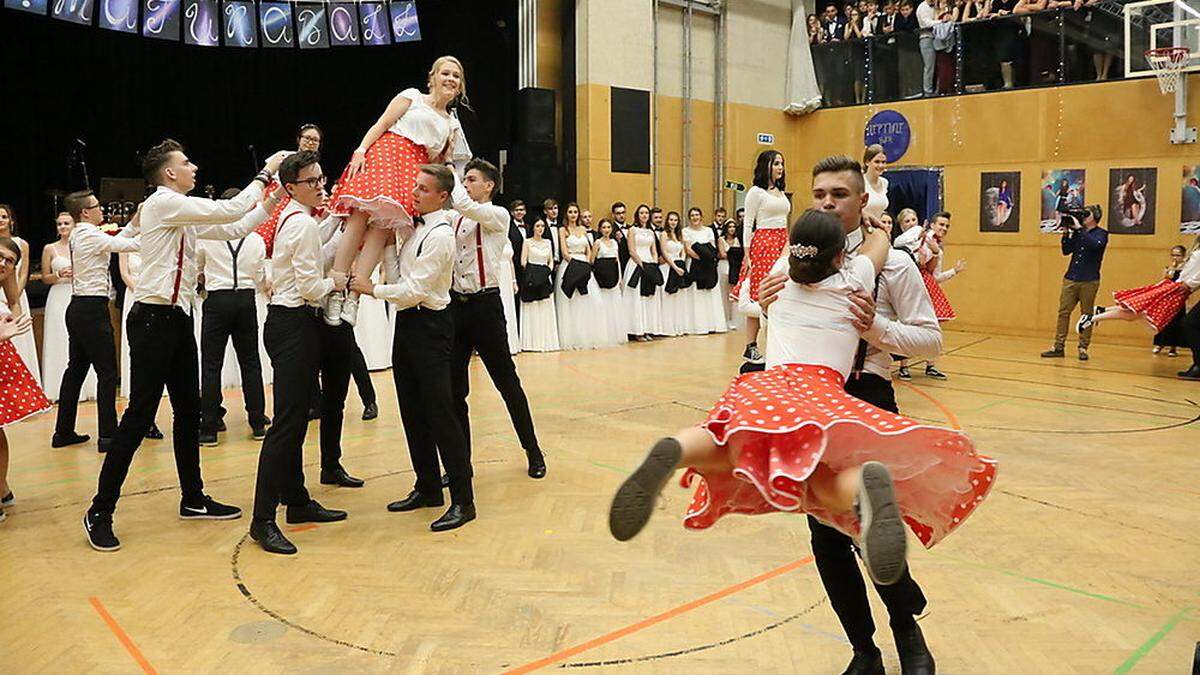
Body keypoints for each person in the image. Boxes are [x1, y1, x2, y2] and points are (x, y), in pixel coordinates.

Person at [610, 207, 993, 675]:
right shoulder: (853, 281)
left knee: (722, 447)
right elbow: (876, 248)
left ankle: (675, 448)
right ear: (838, 257)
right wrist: (876, 230)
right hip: (823, 401)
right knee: (828, 497)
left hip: (767, 392)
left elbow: (918, 330)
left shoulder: (779, 278)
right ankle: (862, 492)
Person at [758, 155, 947, 675]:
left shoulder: (897, 264)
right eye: (818, 194)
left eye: (838, 194)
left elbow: (933, 339)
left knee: (868, 520)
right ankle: (864, 652)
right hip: (811, 409)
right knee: (826, 535)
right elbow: (769, 319)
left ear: (862, 201)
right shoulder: (790, 264)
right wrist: (764, 301)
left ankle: (908, 633)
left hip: (868, 399)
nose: (826, 203)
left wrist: (878, 332)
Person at [83, 139, 287, 553]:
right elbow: (230, 210)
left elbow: (233, 228)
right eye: (187, 162)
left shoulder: (181, 212)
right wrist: (266, 173)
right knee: (139, 415)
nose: (194, 167)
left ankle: (192, 498)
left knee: (189, 412)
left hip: (177, 318)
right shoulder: (163, 203)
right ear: (169, 173)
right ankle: (99, 510)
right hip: (152, 319)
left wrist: (276, 197)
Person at [352, 164, 476, 532]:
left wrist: (370, 289)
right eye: (415, 186)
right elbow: (401, 275)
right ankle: (426, 487)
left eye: (423, 189)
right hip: (408, 325)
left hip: (431, 326)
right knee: (411, 409)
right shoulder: (413, 227)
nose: (415, 192)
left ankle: (463, 499)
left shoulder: (440, 235)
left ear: (442, 196)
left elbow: (414, 291)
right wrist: (389, 245)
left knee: (441, 412)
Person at [249, 151, 349, 556]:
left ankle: (297, 501)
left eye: (321, 178)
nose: (321, 186)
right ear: (290, 187)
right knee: (287, 425)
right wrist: (337, 280)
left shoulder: (300, 221)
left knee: (293, 419)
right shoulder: (301, 225)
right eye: (313, 182)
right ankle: (262, 519)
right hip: (294, 324)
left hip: (289, 324)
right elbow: (310, 286)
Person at [325, 56, 470, 327]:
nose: (451, 79)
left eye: (456, 76)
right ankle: (336, 287)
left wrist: (447, 167)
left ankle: (355, 294)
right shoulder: (412, 96)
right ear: (433, 77)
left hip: (414, 167)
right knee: (359, 217)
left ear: (460, 85)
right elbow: (381, 124)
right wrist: (360, 150)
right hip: (387, 154)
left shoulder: (452, 124)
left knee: (383, 227)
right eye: (446, 73)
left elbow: (439, 161)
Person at [447, 158, 546, 479]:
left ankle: (533, 450)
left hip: (486, 308)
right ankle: (461, 462)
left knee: (507, 383)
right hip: (456, 308)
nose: (465, 184)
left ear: (489, 185)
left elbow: (461, 201)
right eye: (464, 178)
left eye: (471, 179)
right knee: (454, 390)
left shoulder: (497, 214)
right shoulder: (456, 218)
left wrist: (449, 164)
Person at [53, 191, 140, 454]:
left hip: (79, 307)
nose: (101, 209)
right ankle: (108, 435)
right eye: (96, 206)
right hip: (91, 309)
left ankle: (63, 431)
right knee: (107, 371)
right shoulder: (89, 234)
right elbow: (126, 245)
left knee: (76, 369)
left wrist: (135, 222)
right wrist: (143, 226)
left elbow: (118, 240)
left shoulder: (83, 234)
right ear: (85, 213)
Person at [196, 214, 270, 446]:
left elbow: (198, 269)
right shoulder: (256, 240)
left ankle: (209, 427)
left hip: (217, 300)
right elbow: (260, 277)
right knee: (250, 362)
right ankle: (257, 421)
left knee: (211, 365)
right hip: (246, 300)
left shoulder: (208, 237)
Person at [0, 236, 54, 524]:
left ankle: (2, 490)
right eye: (0, 257)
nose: (3, 264)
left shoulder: (5, 283)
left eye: (10, 261)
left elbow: (13, 308)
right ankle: (3, 489)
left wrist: (10, 324)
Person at [1077, 237, 1199, 340]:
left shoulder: (1194, 255)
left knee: (1136, 313)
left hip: (1177, 289)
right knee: (1139, 312)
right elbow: (1192, 277)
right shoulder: (1196, 255)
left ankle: (1099, 312)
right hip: (1176, 289)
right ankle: (1093, 317)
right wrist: (1189, 284)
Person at [733, 150, 791, 365]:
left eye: (782, 164)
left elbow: (785, 221)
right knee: (760, 295)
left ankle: (774, 345)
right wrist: (747, 255)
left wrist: (787, 243)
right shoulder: (755, 192)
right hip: (763, 243)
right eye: (776, 163)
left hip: (782, 241)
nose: (780, 168)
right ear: (766, 165)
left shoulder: (781, 192)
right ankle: (751, 346)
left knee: (780, 292)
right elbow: (748, 224)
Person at [895, 212, 964, 379]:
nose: (944, 228)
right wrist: (926, 250)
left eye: (946, 226)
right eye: (941, 224)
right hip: (911, 283)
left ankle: (930, 364)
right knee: (907, 322)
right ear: (932, 225)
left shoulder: (937, 247)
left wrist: (954, 271)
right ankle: (904, 366)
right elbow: (904, 252)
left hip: (927, 284)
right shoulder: (917, 237)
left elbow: (935, 277)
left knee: (933, 325)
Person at [1042, 204, 1107, 361]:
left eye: (1087, 214)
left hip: (1089, 280)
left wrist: (1079, 229)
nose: (1084, 216)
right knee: (1063, 313)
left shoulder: (1101, 234)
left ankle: (1083, 347)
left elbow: (1095, 245)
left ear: (1094, 217)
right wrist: (1066, 233)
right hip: (1071, 278)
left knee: (1086, 315)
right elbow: (1066, 251)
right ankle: (1058, 346)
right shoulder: (1079, 233)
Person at [41, 213, 92, 404]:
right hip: (58, 294)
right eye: (60, 224)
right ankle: (56, 388)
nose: (63, 227)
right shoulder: (50, 248)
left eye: (66, 223)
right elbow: (45, 277)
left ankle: (86, 387)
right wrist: (58, 274)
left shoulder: (82, 244)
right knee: (59, 338)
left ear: (74, 225)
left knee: (80, 339)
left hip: (78, 291)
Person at [116, 249, 165, 440]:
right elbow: (124, 273)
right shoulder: (125, 243)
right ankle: (142, 418)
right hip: (136, 295)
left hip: (154, 296)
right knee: (138, 353)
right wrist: (139, 290)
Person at [0, 205, 39, 388]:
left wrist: (12, 320)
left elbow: (15, 299)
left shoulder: (20, 245)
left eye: (9, 261)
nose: (3, 263)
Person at [682, 207, 727, 335]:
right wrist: (701, 259)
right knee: (697, 294)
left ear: (701, 217)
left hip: (708, 264)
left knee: (711, 293)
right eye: (692, 215)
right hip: (695, 263)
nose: (695, 217)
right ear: (689, 218)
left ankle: (713, 324)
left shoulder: (708, 230)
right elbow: (688, 249)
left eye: (697, 215)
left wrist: (707, 259)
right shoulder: (686, 231)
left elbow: (712, 247)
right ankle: (698, 326)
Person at [518, 220, 560, 352]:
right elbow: (523, 261)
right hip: (531, 278)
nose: (540, 228)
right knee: (533, 307)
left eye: (542, 226)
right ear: (533, 228)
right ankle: (531, 343)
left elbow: (551, 261)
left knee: (545, 308)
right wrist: (535, 273)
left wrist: (546, 272)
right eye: (537, 226)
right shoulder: (528, 242)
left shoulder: (548, 242)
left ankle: (546, 342)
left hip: (545, 278)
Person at [623, 204, 663, 341]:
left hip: (650, 264)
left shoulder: (651, 233)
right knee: (637, 298)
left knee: (648, 297)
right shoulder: (632, 230)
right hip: (637, 264)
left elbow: (654, 251)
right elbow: (631, 250)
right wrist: (642, 264)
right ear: (637, 215)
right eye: (642, 213)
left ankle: (647, 329)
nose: (644, 215)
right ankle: (637, 330)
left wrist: (653, 264)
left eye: (646, 213)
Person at [591, 219, 628, 344]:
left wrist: (620, 278)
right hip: (602, 276)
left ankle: (615, 333)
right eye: (604, 227)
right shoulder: (597, 243)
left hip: (613, 275)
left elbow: (617, 261)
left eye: (608, 227)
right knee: (603, 305)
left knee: (615, 305)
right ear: (600, 229)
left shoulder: (614, 243)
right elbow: (592, 260)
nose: (606, 230)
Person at [658, 211, 691, 337]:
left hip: (679, 265)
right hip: (668, 267)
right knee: (669, 297)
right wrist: (674, 266)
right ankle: (668, 328)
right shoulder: (664, 234)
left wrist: (681, 262)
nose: (673, 222)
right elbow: (664, 252)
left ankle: (679, 326)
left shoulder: (679, 235)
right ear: (667, 221)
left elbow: (683, 250)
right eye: (671, 220)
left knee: (679, 297)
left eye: (675, 220)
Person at [1153, 245, 1189, 357]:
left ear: (1183, 256)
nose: (1175, 258)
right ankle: (1159, 344)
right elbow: (1164, 282)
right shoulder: (1169, 268)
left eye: (1178, 255)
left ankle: (1173, 347)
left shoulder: (1186, 270)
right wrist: (1169, 272)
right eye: (1173, 255)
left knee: (1176, 323)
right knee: (1162, 321)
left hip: (1178, 300)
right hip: (1167, 299)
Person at [717, 219, 743, 330]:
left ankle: (734, 318)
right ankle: (725, 318)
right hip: (724, 267)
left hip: (736, 267)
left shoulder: (738, 240)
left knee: (734, 292)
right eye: (729, 227)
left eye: (733, 227)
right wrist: (734, 254)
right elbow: (723, 254)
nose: (731, 229)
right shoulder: (721, 240)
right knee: (724, 293)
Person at [863, 145, 889, 222]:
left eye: (883, 162)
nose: (881, 165)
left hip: (877, 228)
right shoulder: (860, 181)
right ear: (867, 162)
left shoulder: (885, 182)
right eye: (877, 162)